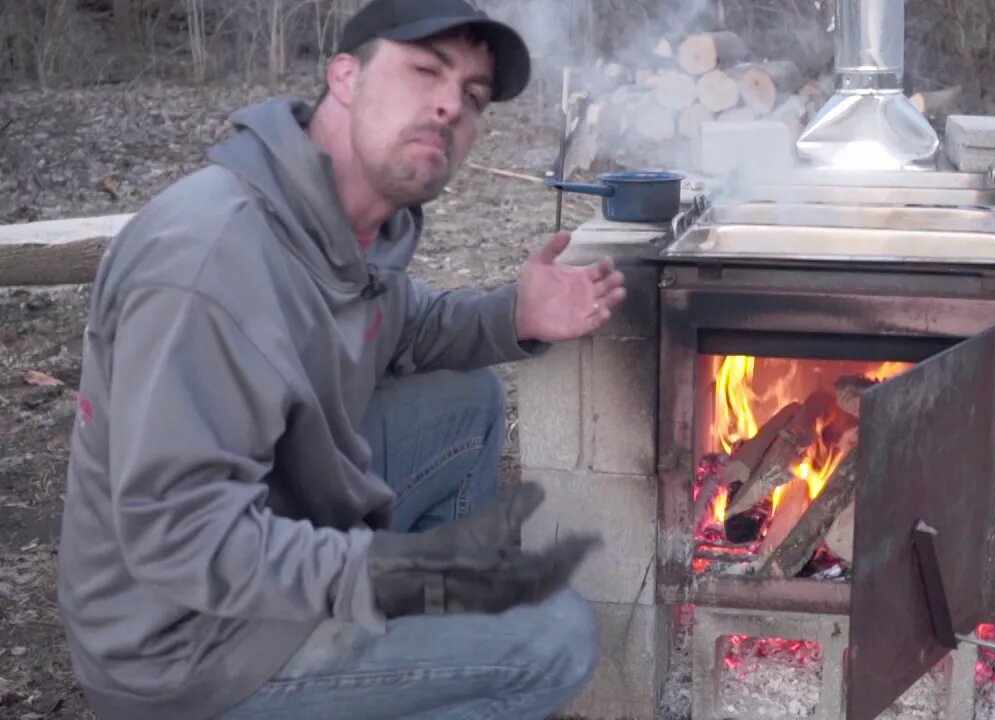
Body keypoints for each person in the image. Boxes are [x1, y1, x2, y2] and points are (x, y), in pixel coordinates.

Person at [55, 1, 625, 718]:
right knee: (558, 639)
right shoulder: (207, 263)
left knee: (467, 403)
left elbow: (408, 328)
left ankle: (414, 646)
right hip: (188, 651)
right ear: (346, 76)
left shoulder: (350, 229)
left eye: (474, 96)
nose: (451, 104)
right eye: (426, 70)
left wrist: (515, 314)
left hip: (277, 540)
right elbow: (179, 535)